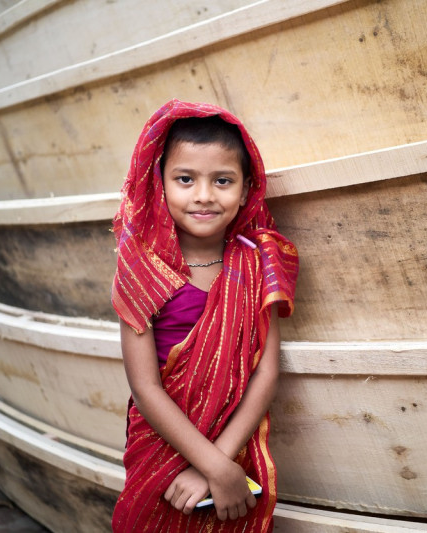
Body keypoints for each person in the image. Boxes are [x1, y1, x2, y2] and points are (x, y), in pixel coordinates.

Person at [110, 100, 298, 532]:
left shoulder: (257, 264)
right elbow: (144, 387)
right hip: (161, 445)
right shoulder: (142, 268)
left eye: (223, 180)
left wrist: (222, 468)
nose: (204, 195)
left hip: (233, 444)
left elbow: (265, 372)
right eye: (185, 179)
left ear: (247, 188)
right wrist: (215, 466)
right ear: (160, 184)